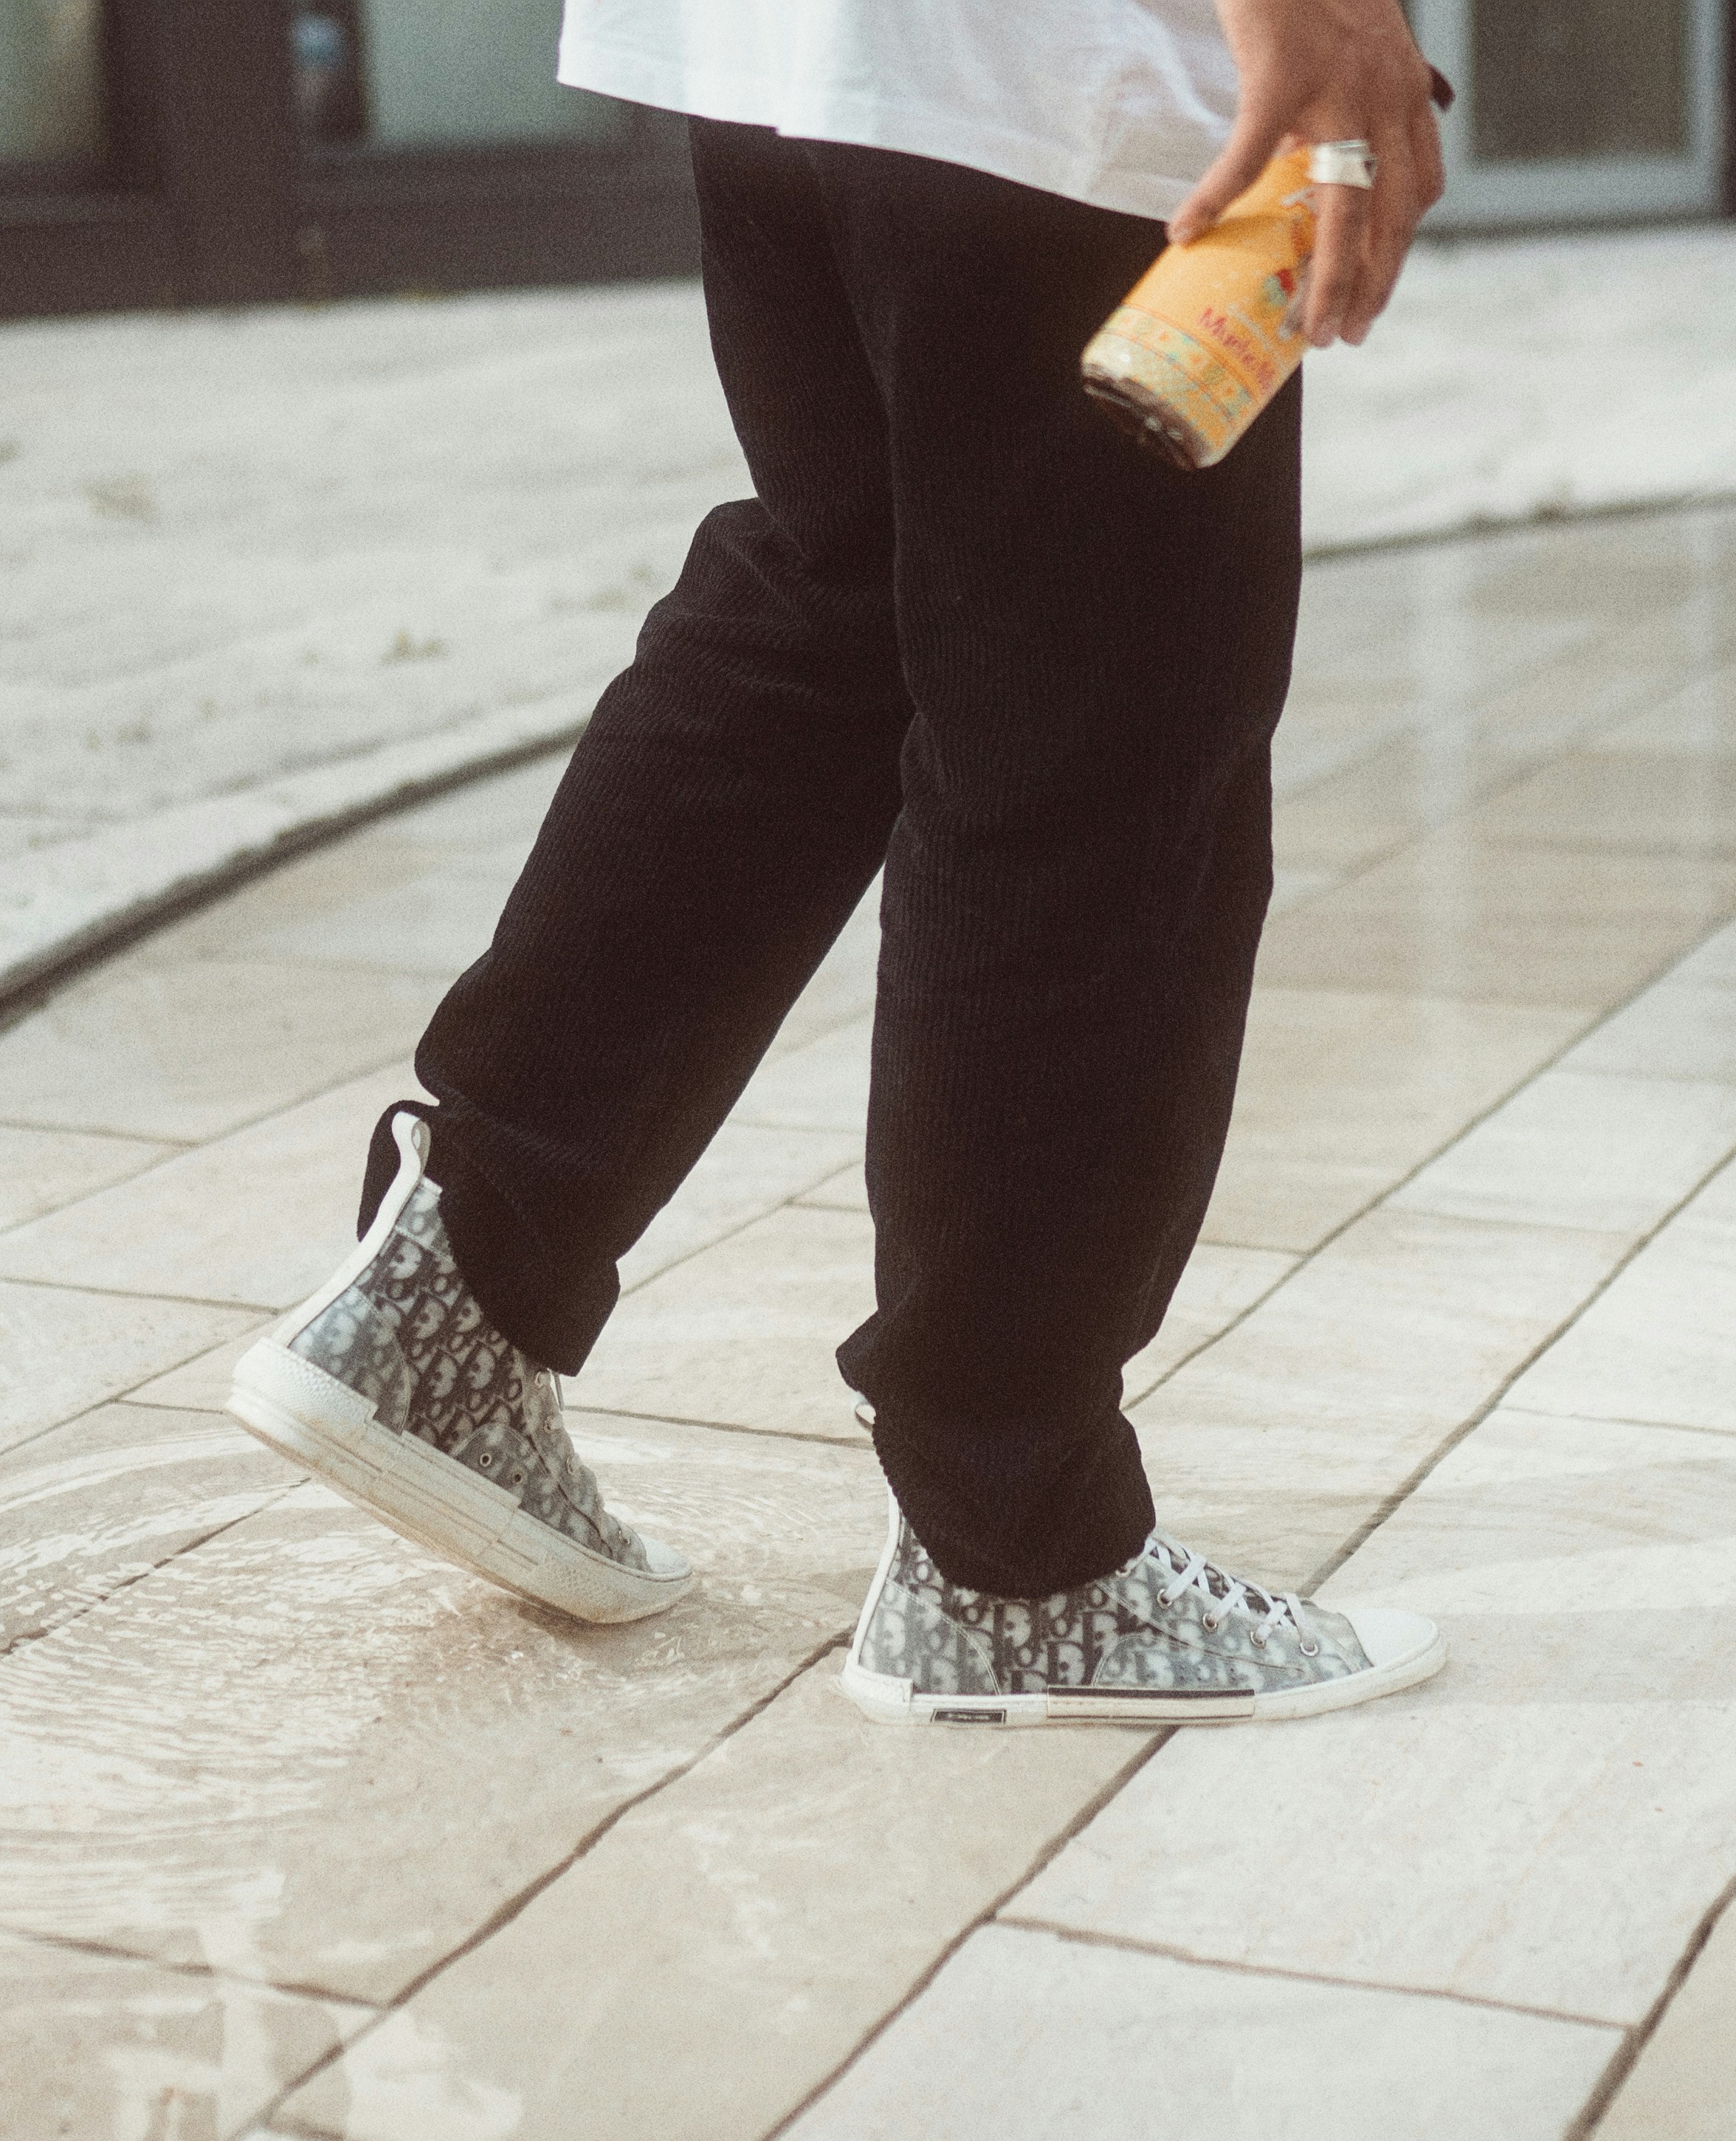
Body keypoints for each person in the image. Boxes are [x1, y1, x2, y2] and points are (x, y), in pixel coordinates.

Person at [229, 0, 1450, 1723]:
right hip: (1052, 71)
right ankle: (1015, 1554)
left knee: (846, 600)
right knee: (1098, 713)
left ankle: (460, 1291)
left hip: (796, 47)